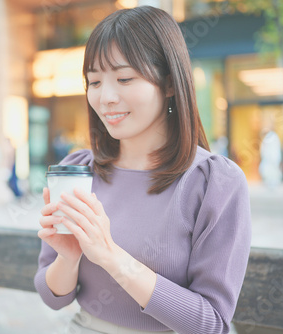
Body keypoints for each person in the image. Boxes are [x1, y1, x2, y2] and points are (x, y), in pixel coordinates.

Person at [34, 6, 251, 334]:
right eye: (94, 81)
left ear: (169, 84)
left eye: (124, 78)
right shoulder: (76, 170)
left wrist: (110, 255)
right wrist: (69, 257)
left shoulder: (214, 182)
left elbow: (211, 323)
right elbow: (53, 298)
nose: (106, 97)